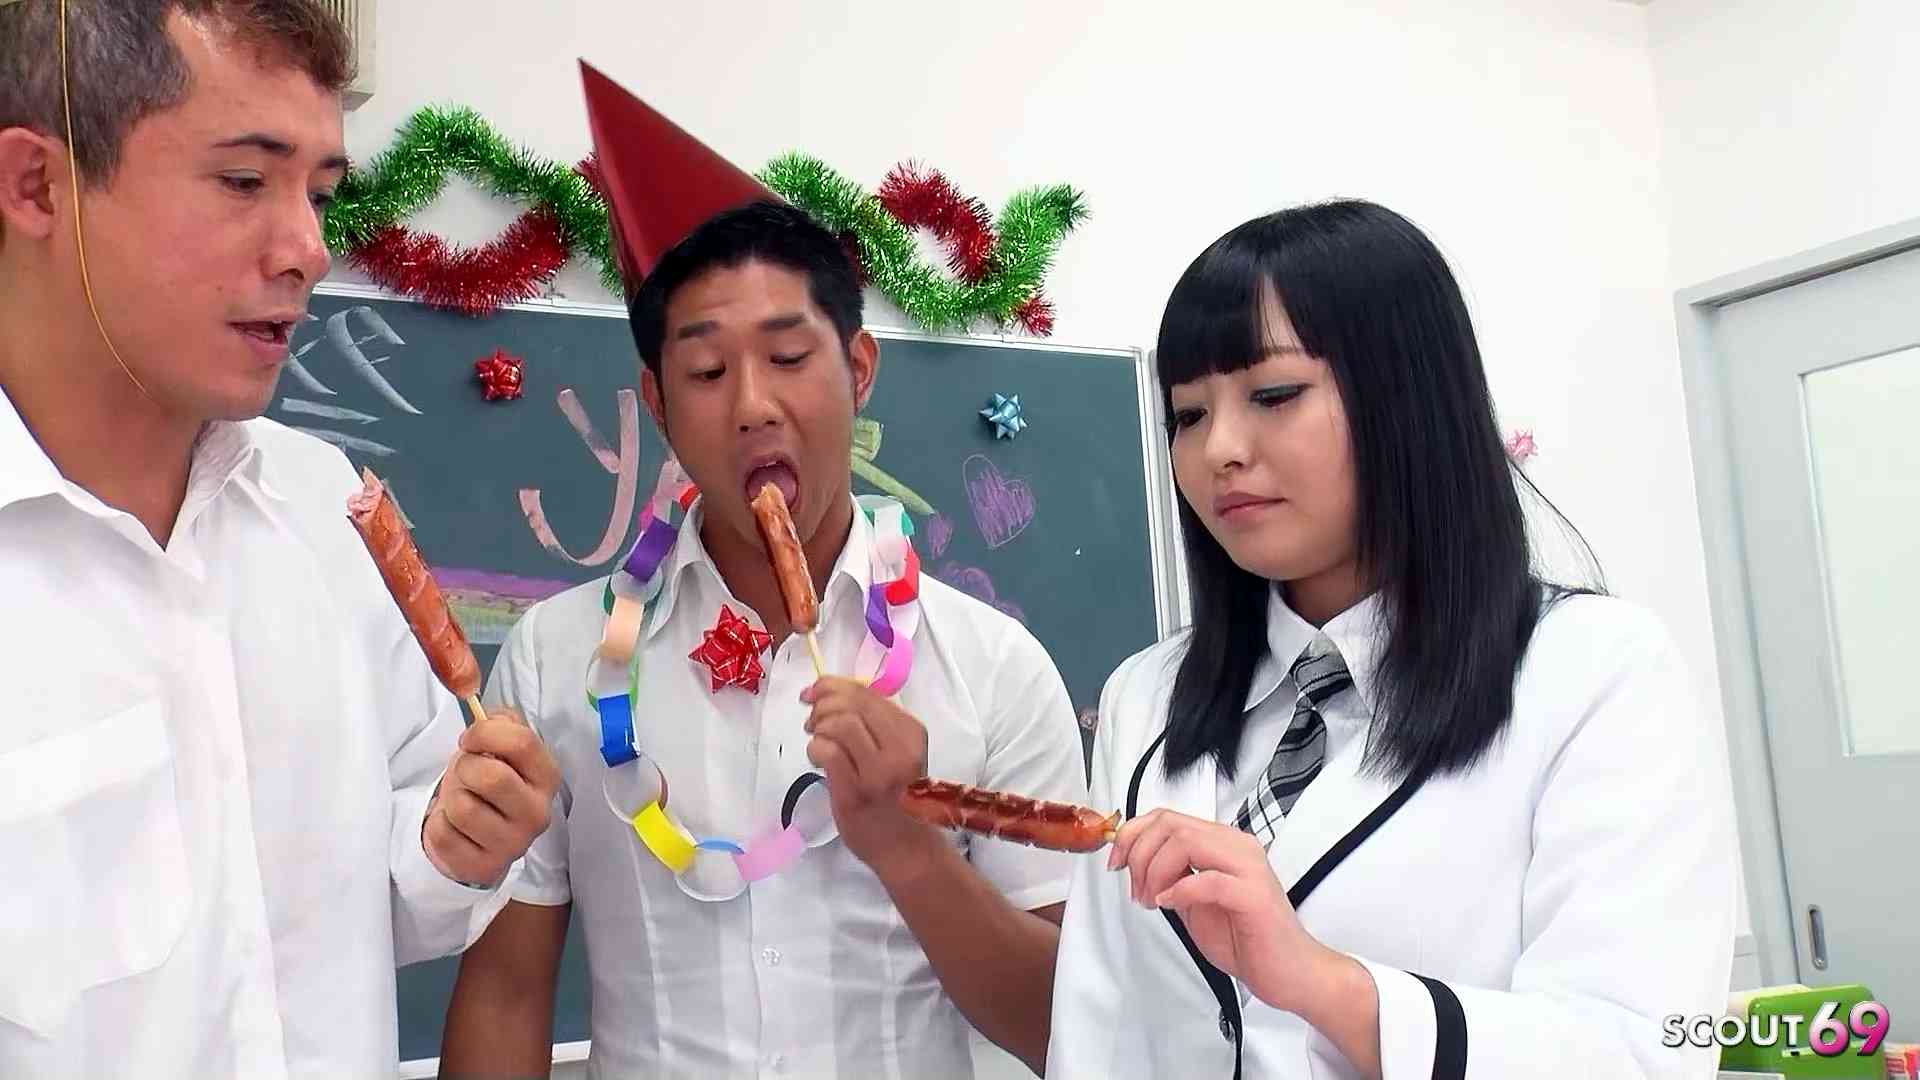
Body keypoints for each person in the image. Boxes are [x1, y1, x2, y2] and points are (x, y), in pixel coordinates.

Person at [436, 66, 1088, 1079]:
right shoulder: (559, 655)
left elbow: (1063, 1029)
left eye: (788, 359)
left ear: (858, 369)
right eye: (706, 372)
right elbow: (510, 989)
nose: (751, 406)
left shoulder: (993, 668)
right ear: (657, 402)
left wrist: (906, 844)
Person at [1047, 200, 1738, 1079]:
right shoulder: (1145, 696)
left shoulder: (1593, 672)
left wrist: (1322, 983)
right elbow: (1097, 1034)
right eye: (1186, 414)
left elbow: (1639, 1052)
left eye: (1273, 396)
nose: (1218, 449)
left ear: (1409, 399)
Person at [0, 3, 557, 1076]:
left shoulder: (321, 506)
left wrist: (452, 844)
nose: (308, 249)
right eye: (244, 181)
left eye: (321, 193)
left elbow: (377, 891)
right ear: (37, 186)